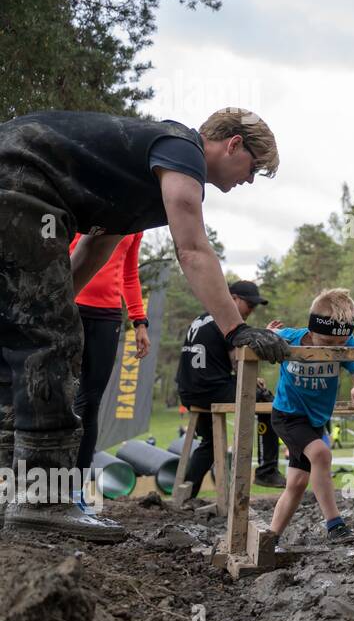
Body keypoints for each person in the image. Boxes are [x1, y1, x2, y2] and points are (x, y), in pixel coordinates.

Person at [0, 107, 290, 541]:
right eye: (253, 168)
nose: (248, 181)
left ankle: (10, 486)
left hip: (19, 178)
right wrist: (237, 330)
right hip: (21, 180)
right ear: (233, 144)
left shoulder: (137, 178)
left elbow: (98, 245)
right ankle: (43, 501)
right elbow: (191, 247)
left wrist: (53, 307)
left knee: (23, 338)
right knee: (52, 347)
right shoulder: (182, 150)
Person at [267, 289, 354, 543]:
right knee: (321, 453)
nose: (335, 348)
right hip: (287, 415)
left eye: (340, 343)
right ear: (311, 330)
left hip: (316, 420)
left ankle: (271, 537)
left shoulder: (345, 343)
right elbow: (268, 336)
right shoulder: (291, 339)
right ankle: (335, 524)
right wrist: (268, 333)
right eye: (328, 343)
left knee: (296, 484)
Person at [176, 280, 286, 498]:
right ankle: (266, 470)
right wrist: (262, 339)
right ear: (232, 298)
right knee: (268, 403)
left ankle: (186, 494)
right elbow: (238, 362)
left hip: (190, 390)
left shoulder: (203, 317)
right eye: (249, 304)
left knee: (210, 443)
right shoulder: (225, 320)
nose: (251, 310)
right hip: (211, 388)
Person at [67, 232, 150, 497]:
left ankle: (75, 491)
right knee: (55, 397)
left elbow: (129, 274)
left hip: (108, 316)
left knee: (89, 404)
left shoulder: (135, 221)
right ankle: (37, 486)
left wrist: (139, 321)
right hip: (70, 306)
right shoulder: (82, 201)